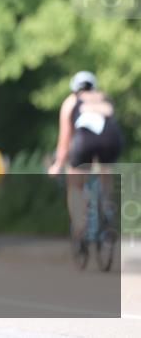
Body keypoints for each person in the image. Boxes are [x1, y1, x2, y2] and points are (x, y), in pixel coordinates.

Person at [47, 71, 123, 248]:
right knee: (105, 169)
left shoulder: (71, 101)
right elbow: (105, 128)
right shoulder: (104, 97)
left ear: (75, 88)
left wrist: (58, 164)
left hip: (84, 141)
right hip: (112, 139)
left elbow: (65, 139)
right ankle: (107, 207)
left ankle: (80, 227)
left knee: (75, 183)